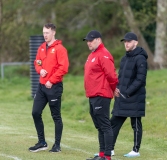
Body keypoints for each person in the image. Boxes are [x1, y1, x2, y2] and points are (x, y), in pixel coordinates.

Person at [29, 23, 69, 153]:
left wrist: (52, 80)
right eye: (44, 32)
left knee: (56, 116)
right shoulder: (41, 48)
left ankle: (57, 145)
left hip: (54, 87)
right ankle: (42, 142)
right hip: (41, 86)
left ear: (53, 33)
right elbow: (37, 62)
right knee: (35, 112)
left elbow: (64, 68)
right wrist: (40, 70)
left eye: (47, 33)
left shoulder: (60, 49)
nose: (44, 35)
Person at [110, 32, 148, 157]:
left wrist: (127, 92)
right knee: (114, 123)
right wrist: (116, 88)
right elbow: (121, 77)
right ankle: (110, 149)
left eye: (129, 41)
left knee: (135, 124)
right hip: (121, 98)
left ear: (135, 43)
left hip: (134, 98)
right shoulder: (124, 58)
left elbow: (140, 79)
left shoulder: (141, 58)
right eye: (125, 41)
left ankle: (136, 150)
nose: (126, 44)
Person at [83, 30, 118, 160]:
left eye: (91, 40)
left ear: (98, 39)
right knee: (99, 126)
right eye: (87, 41)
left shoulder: (104, 54)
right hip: (92, 95)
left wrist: (114, 88)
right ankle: (102, 154)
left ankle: (107, 156)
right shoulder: (93, 54)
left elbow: (111, 75)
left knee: (104, 125)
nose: (88, 43)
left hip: (101, 94)